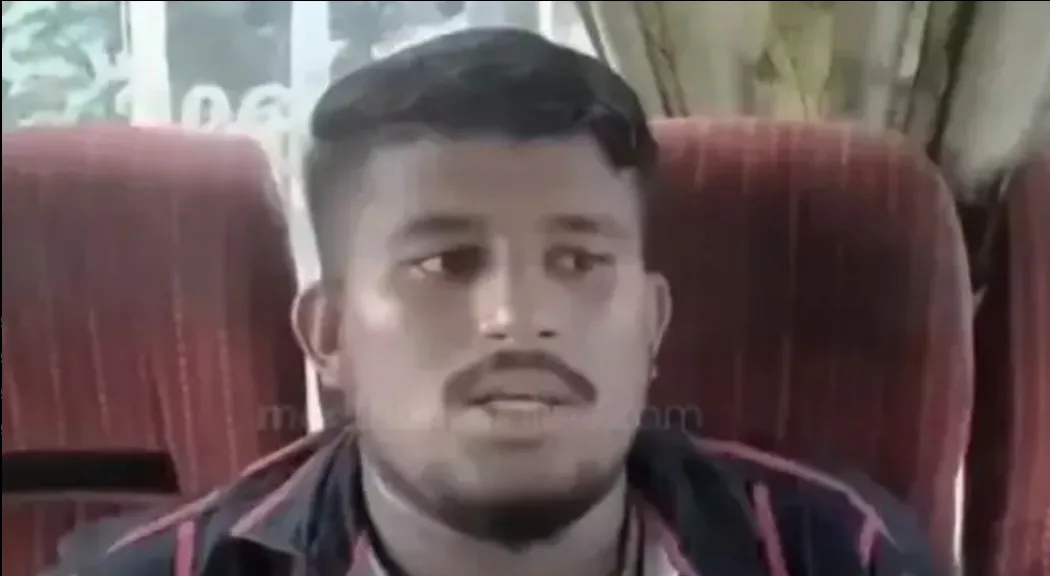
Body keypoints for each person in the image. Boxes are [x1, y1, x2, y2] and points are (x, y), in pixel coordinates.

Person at [51, 28, 944, 576]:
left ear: (651, 324)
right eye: (446, 262)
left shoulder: (842, 553)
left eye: (579, 259)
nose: (518, 315)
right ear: (330, 335)